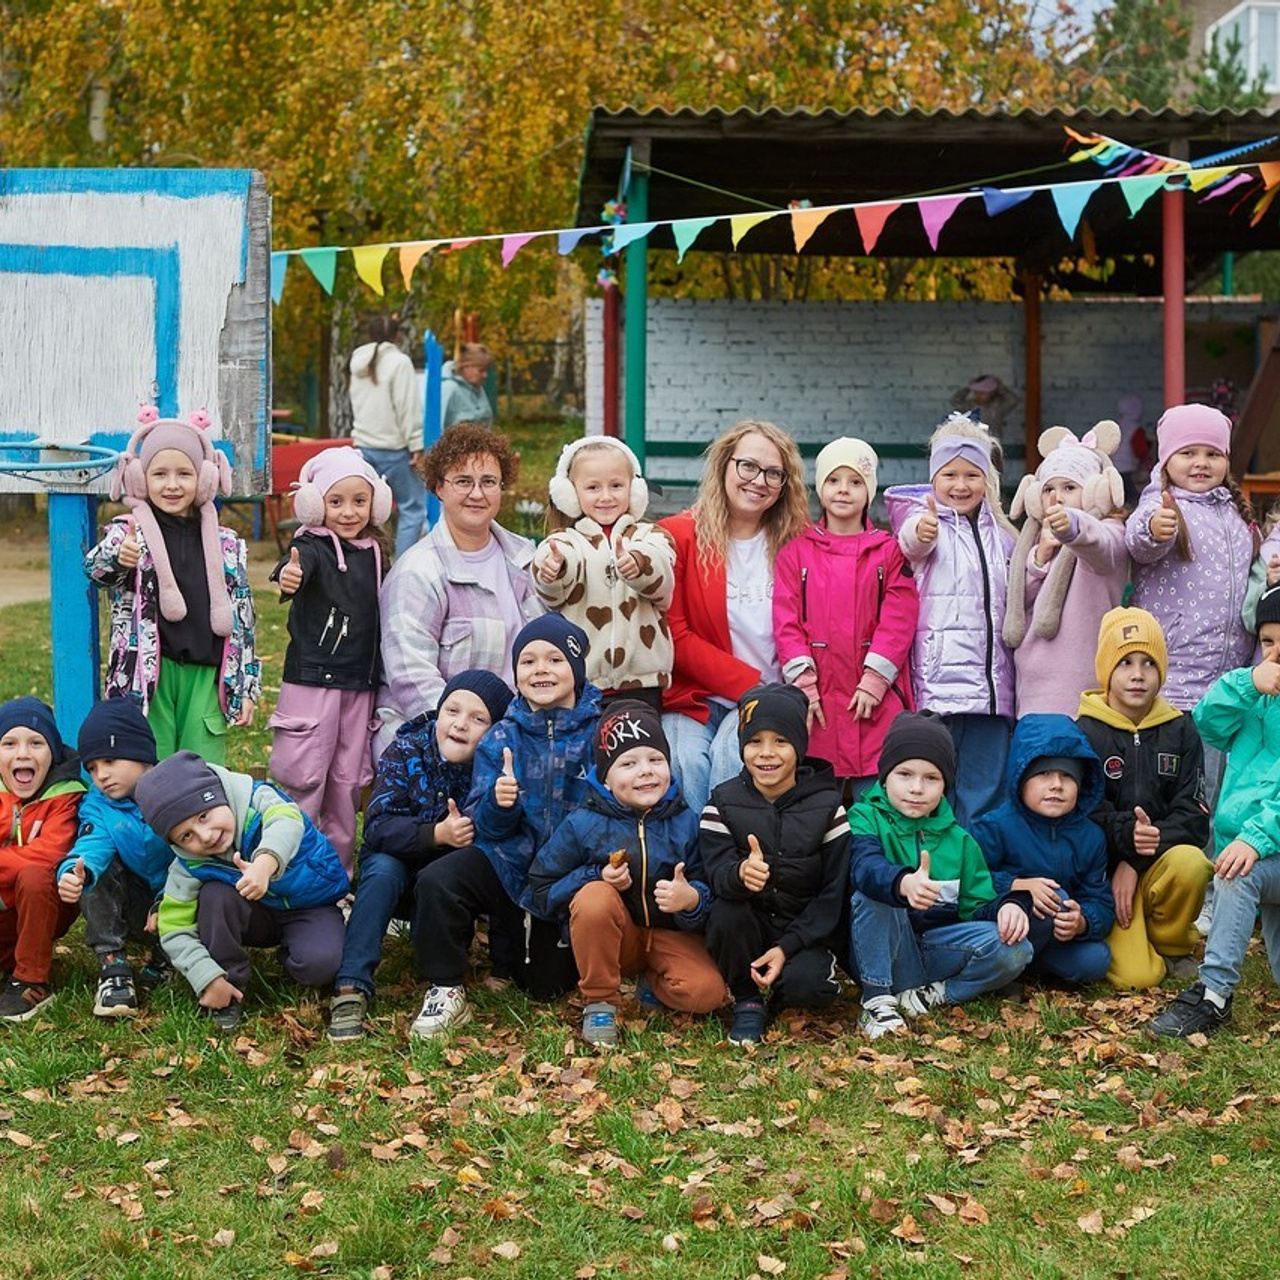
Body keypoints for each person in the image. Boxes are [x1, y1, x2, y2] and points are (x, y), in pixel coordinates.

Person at [407, 617, 600, 1039]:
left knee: (546, 988)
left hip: (570, 872)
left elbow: (610, 812)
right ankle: (445, 985)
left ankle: (525, 952)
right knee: (439, 879)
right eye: (528, 661)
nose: (541, 670)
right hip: (509, 862)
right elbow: (485, 827)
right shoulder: (502, 736)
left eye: (555, 659)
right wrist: (500, 803)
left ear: (577, 669)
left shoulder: (598, 731)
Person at [526, 701, 726, 1047]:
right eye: (628, 763)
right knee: (593, 898)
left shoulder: (687, 820)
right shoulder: (583, 823)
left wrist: (692, 898)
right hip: (616, 937)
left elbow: (714, 890)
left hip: (670, 936)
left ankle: (653, 983)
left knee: (707, 994)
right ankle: (600, 1002)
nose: (645, 771)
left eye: (655, 759)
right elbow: (541, 888)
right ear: (605, 776)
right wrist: (595, 875)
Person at [327, 671, 513, 1042]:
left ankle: (458, 975)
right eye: (452, 710)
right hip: (398, 867)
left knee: (490, 864)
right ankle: (351, 985)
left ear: (494, 732)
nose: (460, 724)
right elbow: (379, 825)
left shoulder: (493, 768)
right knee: (381, 869)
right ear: (439, 711)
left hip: (448, 885)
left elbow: (503, 840)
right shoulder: (407, 750)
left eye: (478, 719)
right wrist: (436, 834)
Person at [85, 406, 259, 763]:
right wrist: (120, 556)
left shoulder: (226, 544)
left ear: (205, 478)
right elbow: (95, 569)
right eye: (159, 474)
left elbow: (245, 620)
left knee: (204, 768)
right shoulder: (129, 531)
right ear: (139, 477)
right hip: (151, 676)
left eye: (184, 473)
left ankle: (202, 820)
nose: (172, 484)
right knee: (151, 762)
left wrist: (247, 686)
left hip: (206, 675)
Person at [847, 710, 1035, 1040]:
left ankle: (935, 995)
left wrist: (1012, 904)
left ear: (945, 784)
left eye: (931, 778)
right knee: (873, 894)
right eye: (904, 774)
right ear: (885, 776)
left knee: (1016, 947)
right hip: (885, 951)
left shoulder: (959, 840)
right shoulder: (865, 816)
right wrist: (903, 883)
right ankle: (877, 1000)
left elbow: (976, 906)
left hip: (936, 952)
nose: (916, 788)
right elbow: (865, 867)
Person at [1146, 584, 1280, 1039]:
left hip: (1260, 848)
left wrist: (1255, 839)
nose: (1276, 654)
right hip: (1254, 851)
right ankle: (1214, 995)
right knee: (1238, 873)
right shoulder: (1257, 695)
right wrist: (1246, 682)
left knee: (1237, 873)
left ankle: (1213, 996)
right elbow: (1207, 722)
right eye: (1268, 642)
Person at [136, 751, 350, 1031]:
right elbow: (174, 928)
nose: (206, 835)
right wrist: (206, 978)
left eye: (204, 816)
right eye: (186, 836)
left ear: (219, 796)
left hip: (308, 905)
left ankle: (295, 951)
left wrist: (266, 862)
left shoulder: (258, 800)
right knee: (214, 895)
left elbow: (287, 821)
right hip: (253, 913)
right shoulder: (189, 864)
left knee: (321, 965)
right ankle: (228, 986)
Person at [660, 420, 810, 815]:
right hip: (695, 694)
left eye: (773, 473)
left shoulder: (799, 542)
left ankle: (730, 867)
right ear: (725, 465)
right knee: (684, 764)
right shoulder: (679, 536)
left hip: (769, 696)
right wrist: (747, 682)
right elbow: (673, 632)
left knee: (732, 765)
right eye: (748, 466)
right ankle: (693, 870)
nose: (758, 481)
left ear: (784, 484)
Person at [375, 423, 542, 758]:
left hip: (517, 736)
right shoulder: (418, 572)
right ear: (438, 487)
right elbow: (412, 678)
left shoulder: (527, 560)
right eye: (463, 481)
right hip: (436, 743)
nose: (477, 493)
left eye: (488, 482)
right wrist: (480, 739)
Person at [884, 414, 1015, 828]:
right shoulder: (923, 522)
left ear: (987, 480)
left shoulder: (1004, 535)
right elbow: (909, 544)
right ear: (933, 480)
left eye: (972, 475)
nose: (961, 485)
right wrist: (921, 532)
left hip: (991, 694)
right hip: (937, 693)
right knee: (933, 794)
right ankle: (932, 879)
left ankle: (977, 882)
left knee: (984, 796)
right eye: (950, 475)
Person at [701, 683, 849, 1046]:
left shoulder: (829, 807)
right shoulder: (722, 803)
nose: (766, 754)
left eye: (780, 741)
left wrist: (788, 948)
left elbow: (833, 895)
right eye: (755, 742)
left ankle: (784, 987)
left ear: (799, 746)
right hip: (746, 930)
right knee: (726, 912)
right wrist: (739, 874)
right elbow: (714, 873)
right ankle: (747, 999)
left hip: (801, 934)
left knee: (810, 988)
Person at [267, 446, 392, 872]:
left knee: (347, 781)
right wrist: (290, 575)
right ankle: (289, 865)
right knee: (305, 776)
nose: (348, 512)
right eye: (336, 501)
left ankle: (337, 872)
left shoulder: (375, 550)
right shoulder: (313, 546)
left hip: (359, 684)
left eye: (359, 501)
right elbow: (295, 568)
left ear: (376, 502)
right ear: (316, 504)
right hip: (312, 683)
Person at [773, 436, 918, 799]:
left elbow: (899, 616)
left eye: (855, 482)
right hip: (819, 700)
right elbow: (786, 621)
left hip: (874, 696)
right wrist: (804, 685)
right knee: (820, 801)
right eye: (834, 480)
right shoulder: (796, 553)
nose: (843, 490)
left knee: (880, 795)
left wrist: (874, 680)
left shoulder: (889, 551)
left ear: (869, 491)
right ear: (820, 488)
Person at [1076, 608, 1212, 989]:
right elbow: (1081, 812)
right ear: (1106, 670)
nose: (1138, 674)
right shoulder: (1084, 731)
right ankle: (1134, 935)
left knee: (1192, 863)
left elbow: (1194, 814)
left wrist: (1135, 860)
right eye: (1125, 663)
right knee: (1136, 978)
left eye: (1149, 663)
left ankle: (1171, 942)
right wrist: (1124, 840)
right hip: (1105, 878)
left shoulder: (1181, 729)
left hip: (1155, 865)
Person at [533, 436, 676, 711]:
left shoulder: (650, 536)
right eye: (593, 487)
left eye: (616, 485)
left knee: (635, 753)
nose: (606, 496)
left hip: (642, 684)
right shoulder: (566, 541)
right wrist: (553, 569)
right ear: (571, 495)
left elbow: (661, 569)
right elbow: (553, 578)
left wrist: (638, 564)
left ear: (635, 490)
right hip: (580, 683)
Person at [971, 715, 1114, 987]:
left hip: (1052, 937)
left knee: (1096, 959)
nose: (1056, 785)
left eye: (1067, 776)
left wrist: (1083, 921)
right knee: (1055, 896)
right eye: (1044, 774)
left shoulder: (1092, 837)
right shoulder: (994, 826)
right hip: (1001, 927)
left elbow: (1101, 901)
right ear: (1020, 778)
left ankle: (1024, 969)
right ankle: (1002, 966)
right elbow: (970, 883)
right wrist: (1017, 886)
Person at [55, 700, 174, 1018]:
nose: (101, 776)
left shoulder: (177, 790)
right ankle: (113, 966)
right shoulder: (98, 805)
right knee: (93, 868)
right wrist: (71, 872)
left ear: (142, 755)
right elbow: (91, 844)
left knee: (206, 873)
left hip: (181, 904)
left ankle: (168, 957)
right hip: (134, 909)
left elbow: (194, 857)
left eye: (109, 760)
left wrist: (170, 903)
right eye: (92, 768)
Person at [1003, 424, 1128, 718]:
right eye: (1048, 489)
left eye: (1069, 488)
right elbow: (1019, 604)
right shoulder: (1034, 543)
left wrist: (1072, 526)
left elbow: (1099, 546)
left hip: (1083, 693)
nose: (1055, 498)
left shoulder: (1109, 532)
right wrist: (1040, 557)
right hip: (1030, 691)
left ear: (1096, 490)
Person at [0, 698, 86, 1021]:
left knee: (36, 874)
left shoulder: (66, 796)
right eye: (9, 743)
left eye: (36, 743)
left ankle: (30, 980)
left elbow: (50, 853)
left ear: (52, 752)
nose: (23, 753)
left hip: (45, 904)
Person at [350, 314, 424, 558]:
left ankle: (368, 562)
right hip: (394, 449)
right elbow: (407, 406)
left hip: (363, 446)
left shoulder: (357, 360)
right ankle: (403, 566)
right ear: (397, 335)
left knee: (367, 511)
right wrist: (417, 444)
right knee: (412, 508)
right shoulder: (400, 362)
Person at [949, 375, 1019, 445]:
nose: (979, 395)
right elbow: (955, 401)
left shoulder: (998, 406)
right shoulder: (970, 406)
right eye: (977, 392)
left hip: (993, 441)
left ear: (992, 393)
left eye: (983, 393)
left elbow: (1013, 400)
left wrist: (1000, 388)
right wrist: (969, 388)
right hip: (974, 440)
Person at [440, 343, 495, 431]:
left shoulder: (477, 388)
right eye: (481, 370)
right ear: (466, 366)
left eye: (486, 370)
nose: (485, 375)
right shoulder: (449, 389)